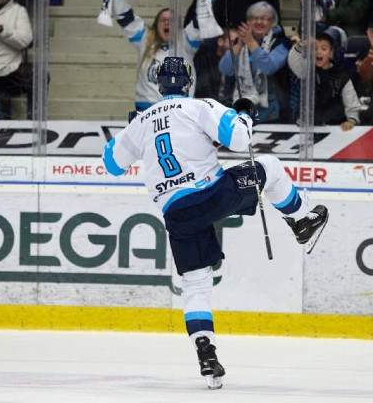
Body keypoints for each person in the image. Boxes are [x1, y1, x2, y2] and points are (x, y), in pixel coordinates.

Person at [101, 57, 329, 390]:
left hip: (177, 212)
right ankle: (301, 221)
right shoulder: (199, 106)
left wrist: (131, 127)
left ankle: (205, 352)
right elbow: (239, 139)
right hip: (213, 194)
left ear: (159, 85)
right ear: (188, 82)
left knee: (195, 285)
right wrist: (245, 114)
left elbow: (112, 164)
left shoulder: (141, 123)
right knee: (270, 166)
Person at [107, 0, 221, 113]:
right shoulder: (145, 40)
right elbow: (126, 18)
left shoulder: (186, 41)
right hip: (147, 109)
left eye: (172, 20)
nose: (167, 23)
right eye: (163, 20)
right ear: (156, 25)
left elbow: (199, 23)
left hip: (181, 109)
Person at [218, 1, 291, 123]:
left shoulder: (282, 43)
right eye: (254, 18)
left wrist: (251, 43)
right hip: (240, 108)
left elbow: (269, 66)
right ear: (248, 22)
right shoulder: (239, 41)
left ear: (272, 22)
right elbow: (225, 69)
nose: (259, 22)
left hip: (271, 109)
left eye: (264, 18)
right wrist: (240, 45)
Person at [287, 32, 363, 129]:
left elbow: (351, 102)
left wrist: (352, 120)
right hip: (306, 127)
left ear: (331, 53)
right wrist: (300, 45)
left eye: (323, 49)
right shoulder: (306, 70)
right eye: (314, 49)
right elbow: (294, 60)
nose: (318, 52)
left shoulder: (341, 75)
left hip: (334, 127)